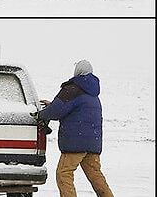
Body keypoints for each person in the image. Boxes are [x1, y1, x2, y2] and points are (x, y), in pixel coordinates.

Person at [39, 60, 114, 197]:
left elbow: (56, 111)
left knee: (63, 174)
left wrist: (41, 114)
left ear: (77, 72)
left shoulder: (72, 89)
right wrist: (52, 105)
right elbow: (75, 108)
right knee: (96, 176)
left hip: (75, 143)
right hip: (93, 144)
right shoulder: (93, 94)